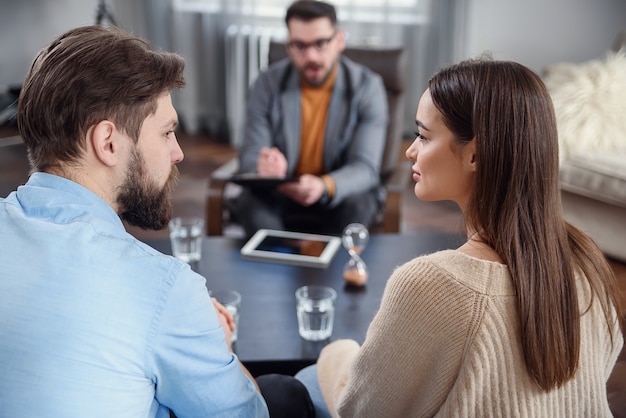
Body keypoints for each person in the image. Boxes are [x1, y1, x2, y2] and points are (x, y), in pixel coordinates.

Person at [295, 58, 624, 417]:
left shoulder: (432, 285)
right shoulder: (587, 258)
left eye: (423, 136)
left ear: (475, 154)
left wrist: (336, 353)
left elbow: (359, 411)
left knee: (307, 377)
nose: (410, 151)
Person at [0, 25, 274, 417]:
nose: (178, 153)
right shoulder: (164, 288)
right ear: (108, 143)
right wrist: (218, 345)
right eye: (166, 133)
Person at [231, 0, 388, 237]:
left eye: (320, 43)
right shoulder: (267, 84)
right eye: (300, 46)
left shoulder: (368, 87)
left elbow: (365, 168)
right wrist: (264, 168)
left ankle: (333, 273)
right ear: (288, 46)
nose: (311, 56)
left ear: (339, 40)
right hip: (280, 190)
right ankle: (277, 268)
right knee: (251, 206)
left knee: (359, 205)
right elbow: (250, 156)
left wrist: (324, 186)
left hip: (338, 191)